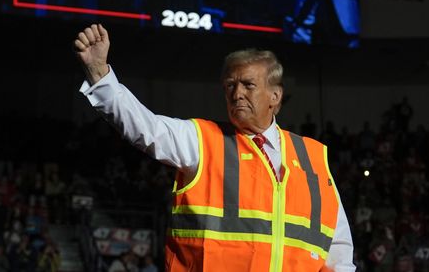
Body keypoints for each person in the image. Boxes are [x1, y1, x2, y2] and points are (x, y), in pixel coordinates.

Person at [74, 24, 355, 271]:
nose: (236, 93)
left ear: (275, 96)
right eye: (230, 85)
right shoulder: (202, 140)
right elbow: (145, 128)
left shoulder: (314, 157)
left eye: (248, 85)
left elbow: (339, 248)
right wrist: (101, 76)